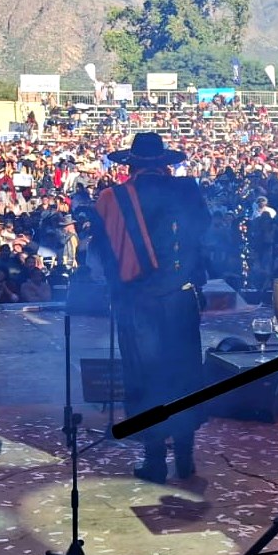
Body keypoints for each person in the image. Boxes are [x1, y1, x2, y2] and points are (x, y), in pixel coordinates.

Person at [91, 132, 210, 484]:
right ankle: (185, 457)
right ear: (164, 164)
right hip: (181, 299)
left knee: (145, 377)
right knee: (185, 374)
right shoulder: (188, 191)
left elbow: (103, 255)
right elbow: (204, 236)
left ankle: (155, 459)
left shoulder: (112, 199)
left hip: (137, 305)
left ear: (130, 166)